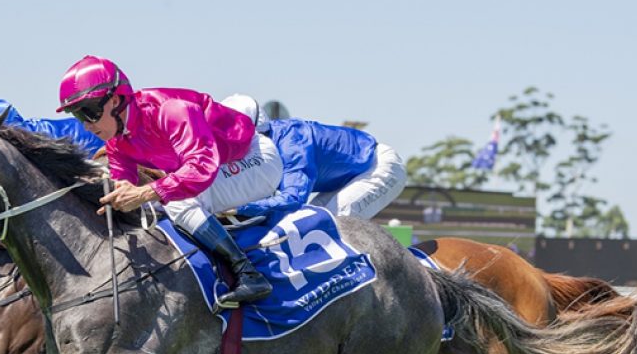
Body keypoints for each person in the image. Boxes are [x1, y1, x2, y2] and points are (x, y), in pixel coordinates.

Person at [56, 56, 283, 306]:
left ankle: (248, 273)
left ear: (116, 100)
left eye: (89, 112)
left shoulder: (172, 110)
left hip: (255, 159)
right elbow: (124, 187)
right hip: (218, 166)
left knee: (177, 202)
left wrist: (145, 193)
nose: (87, 125)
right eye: (78, 115)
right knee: (154, 206)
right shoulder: (117, 142)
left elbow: (200, 169)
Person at [220, 95, 407, 221]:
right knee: (305, 222)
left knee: (329, 224)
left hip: (378, 168)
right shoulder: (267, 140)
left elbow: (293, 198)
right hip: (350, 176)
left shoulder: (292, 146)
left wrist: (242, 208)